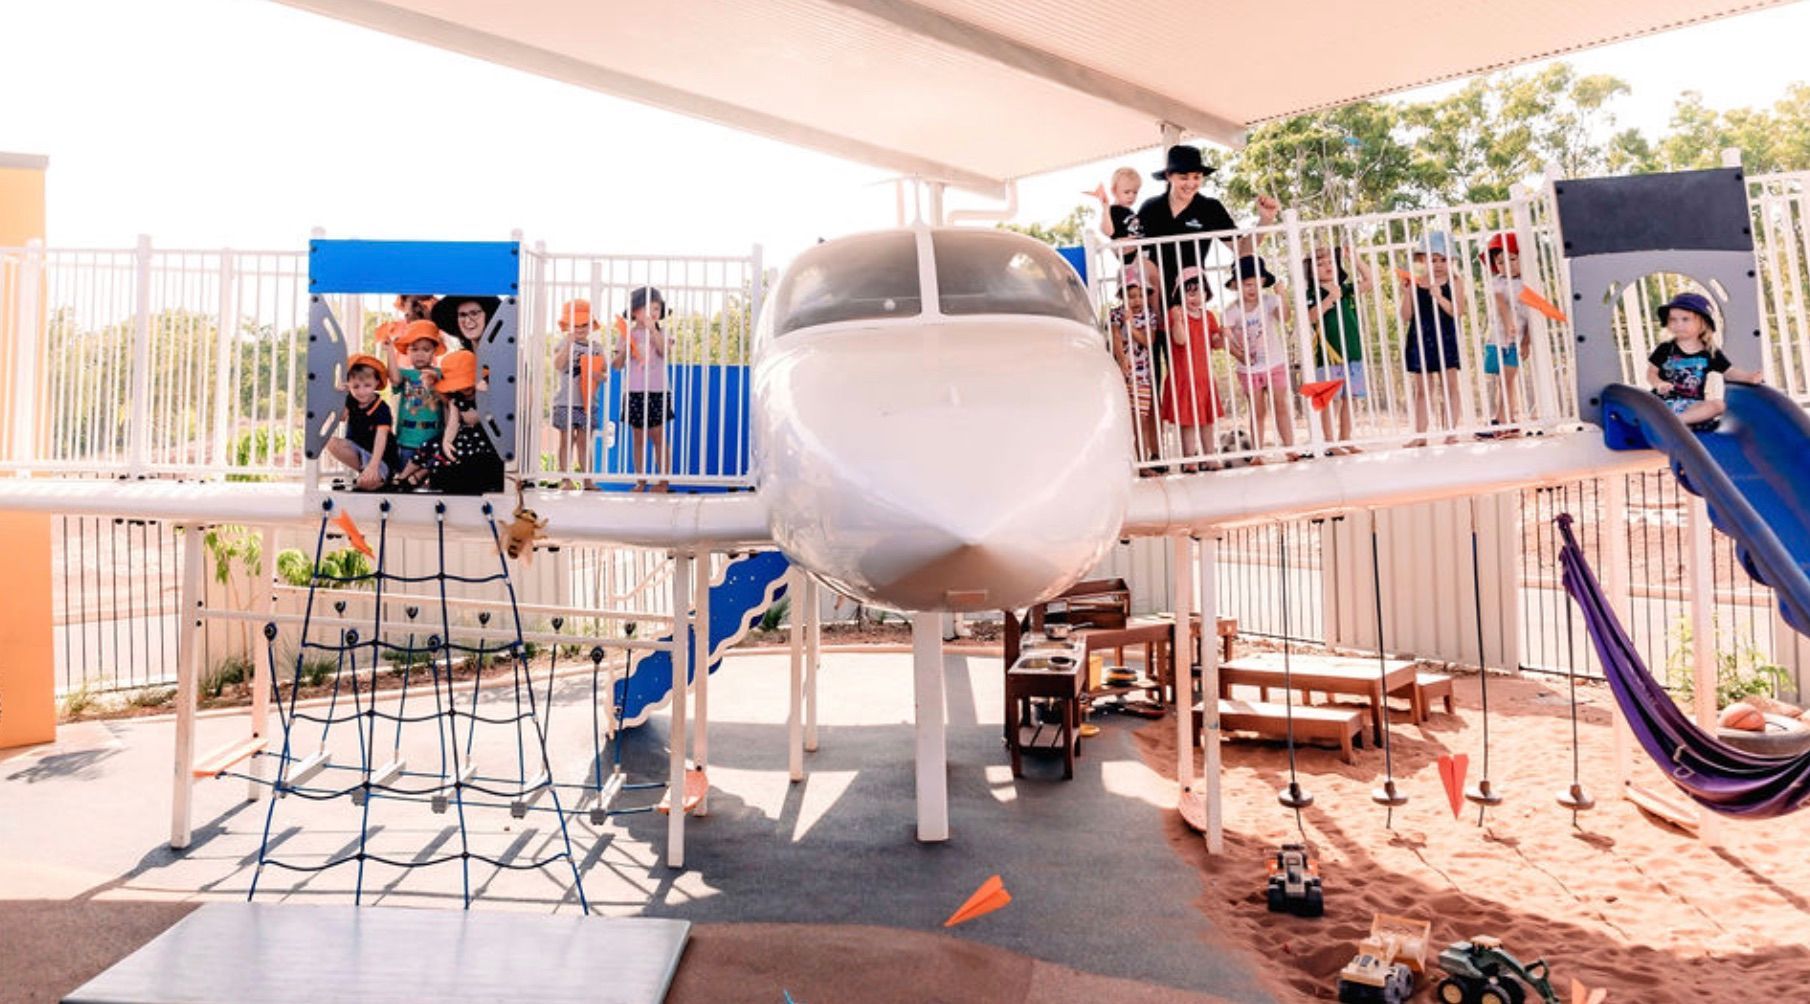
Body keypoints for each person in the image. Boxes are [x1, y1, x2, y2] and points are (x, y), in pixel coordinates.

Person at [1135, 144, 1280, 301]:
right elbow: (1132, 251)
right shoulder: (1150, 207)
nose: (1191, 184)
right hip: (1152, 292)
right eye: (1184, 177)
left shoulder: (1210, 208)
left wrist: (1265, 220)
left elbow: (1241, 248)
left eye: (1196, 177)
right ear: (1169, 176)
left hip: (1191, 293)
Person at [1219, 256, 1300, 462]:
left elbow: (1285, 316)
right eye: (1246, 285)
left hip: (1275, 363)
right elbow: (1226, 338)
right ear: (1236, 285)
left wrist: (1282, 295)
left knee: (1280, 404)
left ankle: (1290, 447)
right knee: (1257, 410)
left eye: (1255, 284)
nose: (1251, 289)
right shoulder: (1231, 311)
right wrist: (1240, 355)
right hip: (1249, 369)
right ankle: (1257, 453)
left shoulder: (1269, 302)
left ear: (1263, 282)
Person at [1646, 291, 1763, 429]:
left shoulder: (1709, 352)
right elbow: (1651, 373)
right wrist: (1659, 384)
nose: (1678, 324)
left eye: (1685, 319)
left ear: (1702, 322)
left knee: (1719, 405)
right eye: (1673, 319)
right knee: (1643, 406)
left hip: (1692, 408)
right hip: (1663, 404)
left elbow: (1729, 372)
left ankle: (1676, 422)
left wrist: (1749, 377)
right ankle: (1671, 422)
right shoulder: (1666, 348)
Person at [1302, 245, 1375, 454]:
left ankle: (1345, 439)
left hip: (1351, 351)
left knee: (1349, 399)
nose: (1327, 266)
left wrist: (1356, 259)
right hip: (1328, 355)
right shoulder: (1311, 293)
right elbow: (1310, 318)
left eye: (1330, 263)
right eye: (1320, 263)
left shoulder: (1346, 288)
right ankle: (1330, 442)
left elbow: (1369, 282)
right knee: (1330, 400)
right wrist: (1329, 300)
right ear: (1310, 270)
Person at [1399, 231, 1465, 447]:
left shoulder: (1455, 281)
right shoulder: (1417, 283)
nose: (1438, 265)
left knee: (1450, 385)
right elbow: (1406, 316)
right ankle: (1420, 435)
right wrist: (1407, 292)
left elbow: (1457, 311)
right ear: (1423, 260)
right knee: (1423, 390)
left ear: (1451, 260)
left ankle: (1452, 432)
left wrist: (1439, 296)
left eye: (1443, 259)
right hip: (1420, 338)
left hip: (1444, 337)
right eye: (1433, 259)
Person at [1160, 267, 1225, 471]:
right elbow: (1180, 339)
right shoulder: (1176, 314)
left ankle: (1210, 456)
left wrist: (1222, 335)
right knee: (1187, 420)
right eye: (1190, 293)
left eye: (1200, 292)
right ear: (1181, 294)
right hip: (1183, 376)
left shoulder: (1209, 316)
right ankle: (1189, 459)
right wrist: (1178, 319)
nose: (1196, 297)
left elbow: (1215, 343)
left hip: (1203, 375)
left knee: (1207, 419)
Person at [611, 285, 671, 492]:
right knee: (638, 437)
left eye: (657, 308)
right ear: (635, 311)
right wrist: (626, 350)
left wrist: (653, 330)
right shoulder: (626, 334)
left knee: (658, 436)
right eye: (648, 308)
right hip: (635, 391)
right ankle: (640, 480)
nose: (653, 312)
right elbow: (616, 366)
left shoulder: (663, 332)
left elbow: (664, 352)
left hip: (657, 391)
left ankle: (663, 482)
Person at [423, 349, 503, 495]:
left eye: (468, 382)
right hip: (467, 438)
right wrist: (447, 441)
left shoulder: (489, 392)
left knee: (479, 461)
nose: (465, 388)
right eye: (460, 384)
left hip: (487, 438)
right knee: (445, 454)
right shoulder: (456, 400)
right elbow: (453, 423)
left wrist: (485, 394)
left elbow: (493, 415)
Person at [1107, 266, 1163, 467]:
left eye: (1141, 295)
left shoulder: (1149, 315)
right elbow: (1114, 336)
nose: (1137, 300)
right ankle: (1130, 462)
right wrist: (1122, 360)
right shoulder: (1115, 314)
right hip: (1123, 375)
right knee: (1127, 420)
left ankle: (1143, 462)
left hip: (1142, 377)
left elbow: (1148, 340)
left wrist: (1130, 326)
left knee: (1141, 420)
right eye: (1131, 296)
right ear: (1122, 296)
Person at [1479, 232, 1534, 437]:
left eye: (1512, 259)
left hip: (1515, 341)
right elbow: (1501, 305)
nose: (1506, 265)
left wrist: (1526, 342)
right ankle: (1504, 419)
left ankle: (1503, 421)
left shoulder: (1528, 284)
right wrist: (1509, 321)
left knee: (1508, 379)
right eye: (1500, 262)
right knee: (1500, 379)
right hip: (1497, 338)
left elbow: (1531, 319)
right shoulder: (1497, 282)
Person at [325, 353, 401, 491]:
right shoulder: (351, 400)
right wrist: (338, 396)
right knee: (331, 443)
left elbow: (381, 438)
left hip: (380, 458)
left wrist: (373, 466)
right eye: (356, 386)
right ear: (349, 384)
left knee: (365, 484)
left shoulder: (382, 408)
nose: (361, 391)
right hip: (359, 451)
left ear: (376, 383)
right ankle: (366, 474)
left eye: (367, 385)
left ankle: (375, 476)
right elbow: (341, 417)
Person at [550, 299, 605, 488]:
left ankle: (588, 480)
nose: (580, 329)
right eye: (576, 325)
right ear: (567, 326)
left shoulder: (596, 347)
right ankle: (565, 479)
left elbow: (604, 375)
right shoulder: (564, 343)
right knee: (566, 440)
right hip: (565, 401)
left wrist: (599, 375)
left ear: (591, 326)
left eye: (584, 325)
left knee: (584, 442)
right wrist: (569, 344)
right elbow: (557, 365)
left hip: (587, 402)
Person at [385, 319, 446, 486]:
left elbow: (448, 400)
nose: (420, 354)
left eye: (426, 350)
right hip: (408, 439)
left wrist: (435, 384)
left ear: (434, 351)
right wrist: (389, 350)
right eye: (414, 349)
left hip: (433, 439)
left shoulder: (440, 374)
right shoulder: (405, 374)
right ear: (407, 352)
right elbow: (395, 378)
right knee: (406, 484)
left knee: (431, 484)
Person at [1095, 166, 1145, 242]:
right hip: (1126, 251)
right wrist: (1105, 209)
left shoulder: (1130, 211)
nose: (1131, 196)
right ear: (1114, 191)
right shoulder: (1112, 210)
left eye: (1135, 192)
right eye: (1126, 192)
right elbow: (1108, 232)